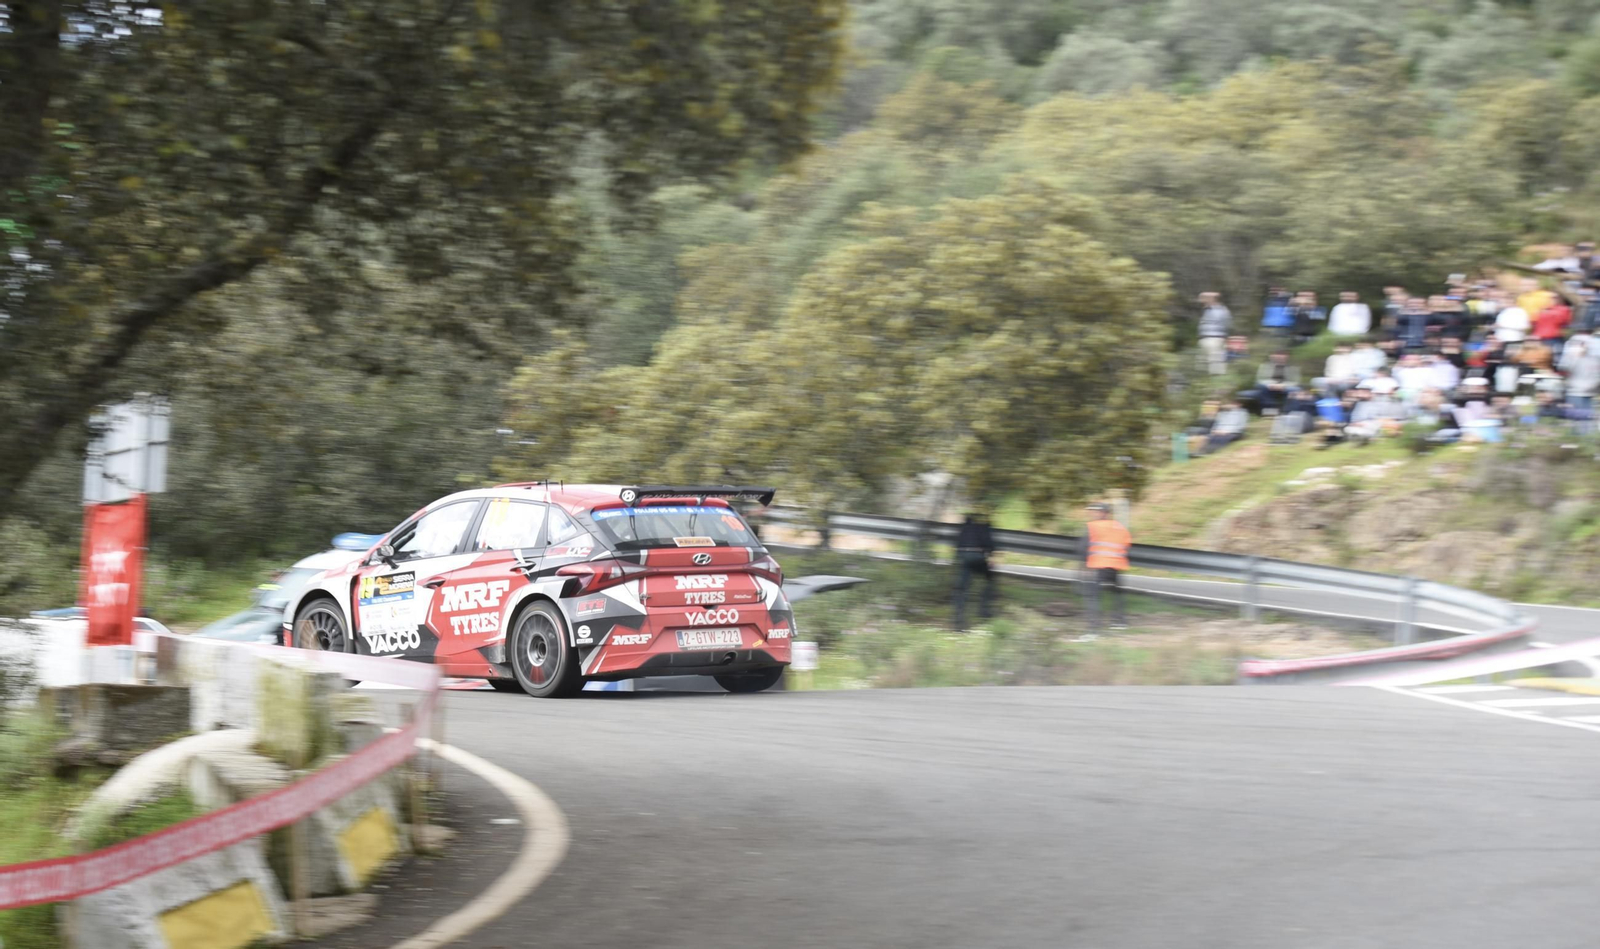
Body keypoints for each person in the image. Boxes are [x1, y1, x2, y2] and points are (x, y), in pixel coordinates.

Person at [1081, 502, 1129, 634]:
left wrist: (1085, 566)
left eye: (1095, 512)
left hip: (1098, 565)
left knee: (1093, 595)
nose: (1093, 514)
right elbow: (1126, 545)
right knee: (1117, 593)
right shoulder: (1119, 526)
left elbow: (1084, 547)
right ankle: (1119, 622)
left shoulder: (1092, 526)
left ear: (1104, 513)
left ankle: (1093, 628)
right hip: (1115, 566)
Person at [951, 512, 996, 629]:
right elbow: (989, 546)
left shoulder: (964, 528)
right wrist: (990, 556)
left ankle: (958, 620)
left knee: (962, 588)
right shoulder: (984, 527)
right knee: (989, 580)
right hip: (977, 558)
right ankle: (983, 610)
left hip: (964, 557)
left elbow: (957, 546)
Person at [1196, 291, 1232, 376]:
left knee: (1215, 366)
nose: (1203, 300)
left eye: (1207, 299)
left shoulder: (1220, 310)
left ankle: (1217, 386)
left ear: (1213, 300)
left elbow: (1227, 324)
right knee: (1202, 366)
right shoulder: (1207, 310)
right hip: (1204, 339)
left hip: (1214, 339)